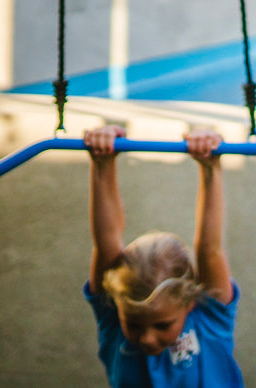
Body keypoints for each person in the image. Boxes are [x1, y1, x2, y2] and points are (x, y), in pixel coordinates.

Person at [83, 124, 244, 387]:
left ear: (190, 302)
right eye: (134, 324)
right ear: (118, 306)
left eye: (162, 325)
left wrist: (210, 167)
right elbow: (106, 242)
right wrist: (102, 163)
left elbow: (209, 249)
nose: (146, 338)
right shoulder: (112, 315)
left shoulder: (209, 319)